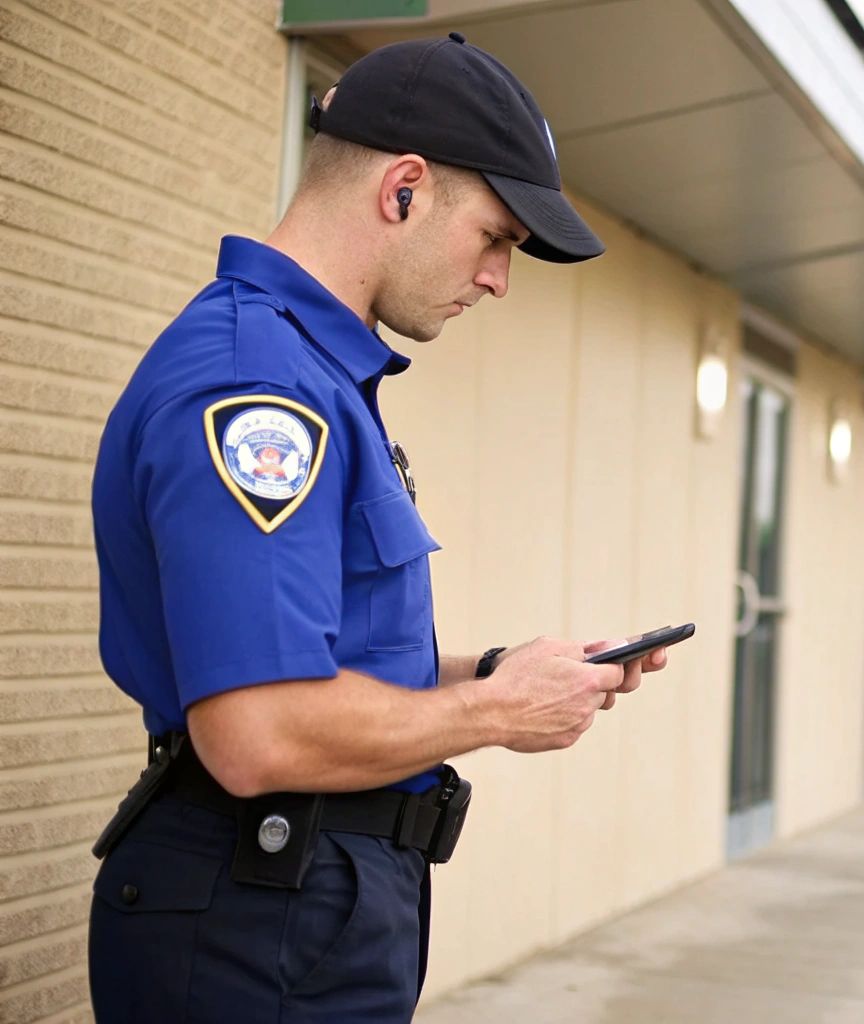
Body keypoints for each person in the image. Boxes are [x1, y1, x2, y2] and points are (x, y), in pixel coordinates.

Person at [85, 34, 674, 1023]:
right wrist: (494, 714)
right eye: (495, 236)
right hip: (254, 921)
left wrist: (499, 669)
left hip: (292, 905)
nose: (498, 278)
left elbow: (323, 662)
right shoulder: (258, 387)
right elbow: (256, 730)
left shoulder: (310, 371)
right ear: (402, 188)